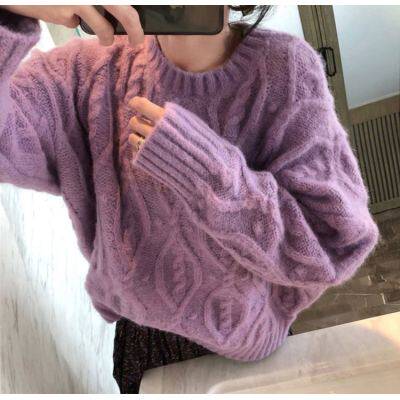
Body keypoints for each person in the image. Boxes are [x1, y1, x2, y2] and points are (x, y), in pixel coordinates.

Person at [0, 4, 379, 394]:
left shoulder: (284, 70)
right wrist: (8, 12)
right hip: (141, 346)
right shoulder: (87, 70)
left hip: (246, 345)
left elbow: (332, 244)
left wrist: (205, 171)